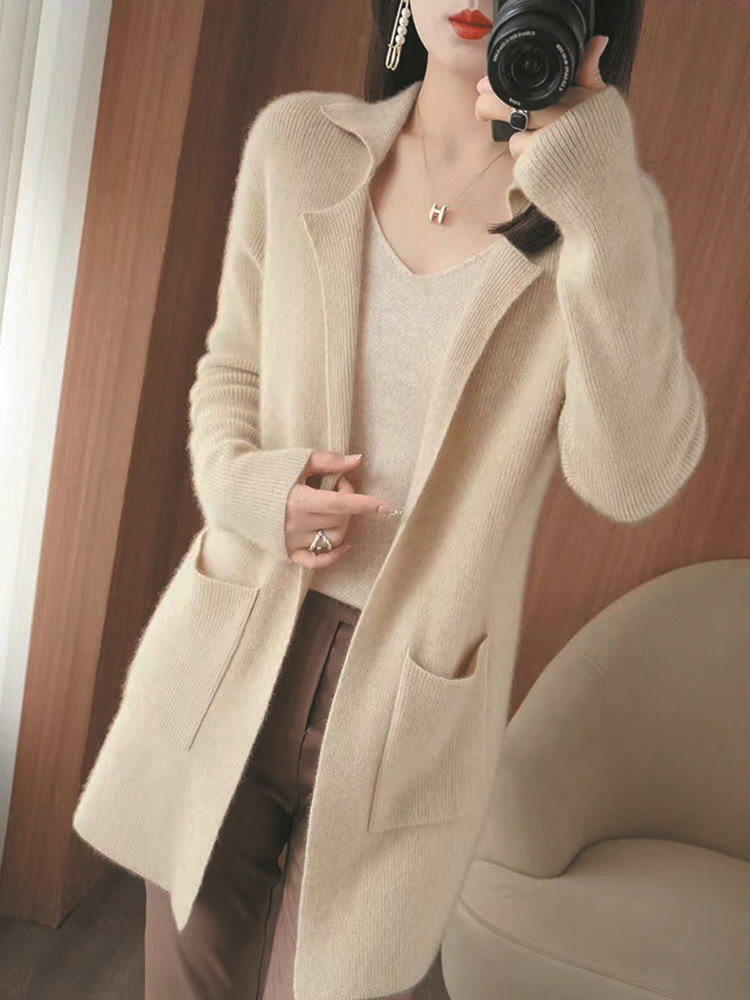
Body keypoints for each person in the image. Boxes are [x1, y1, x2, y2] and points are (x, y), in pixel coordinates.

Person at [72, 2, 708, 999]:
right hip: (233, 653)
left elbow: (632, 478)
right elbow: (228, 376)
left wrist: (597, 195)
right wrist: (257, 492)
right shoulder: (299, 145)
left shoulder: (601, 222)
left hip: (406, 705)